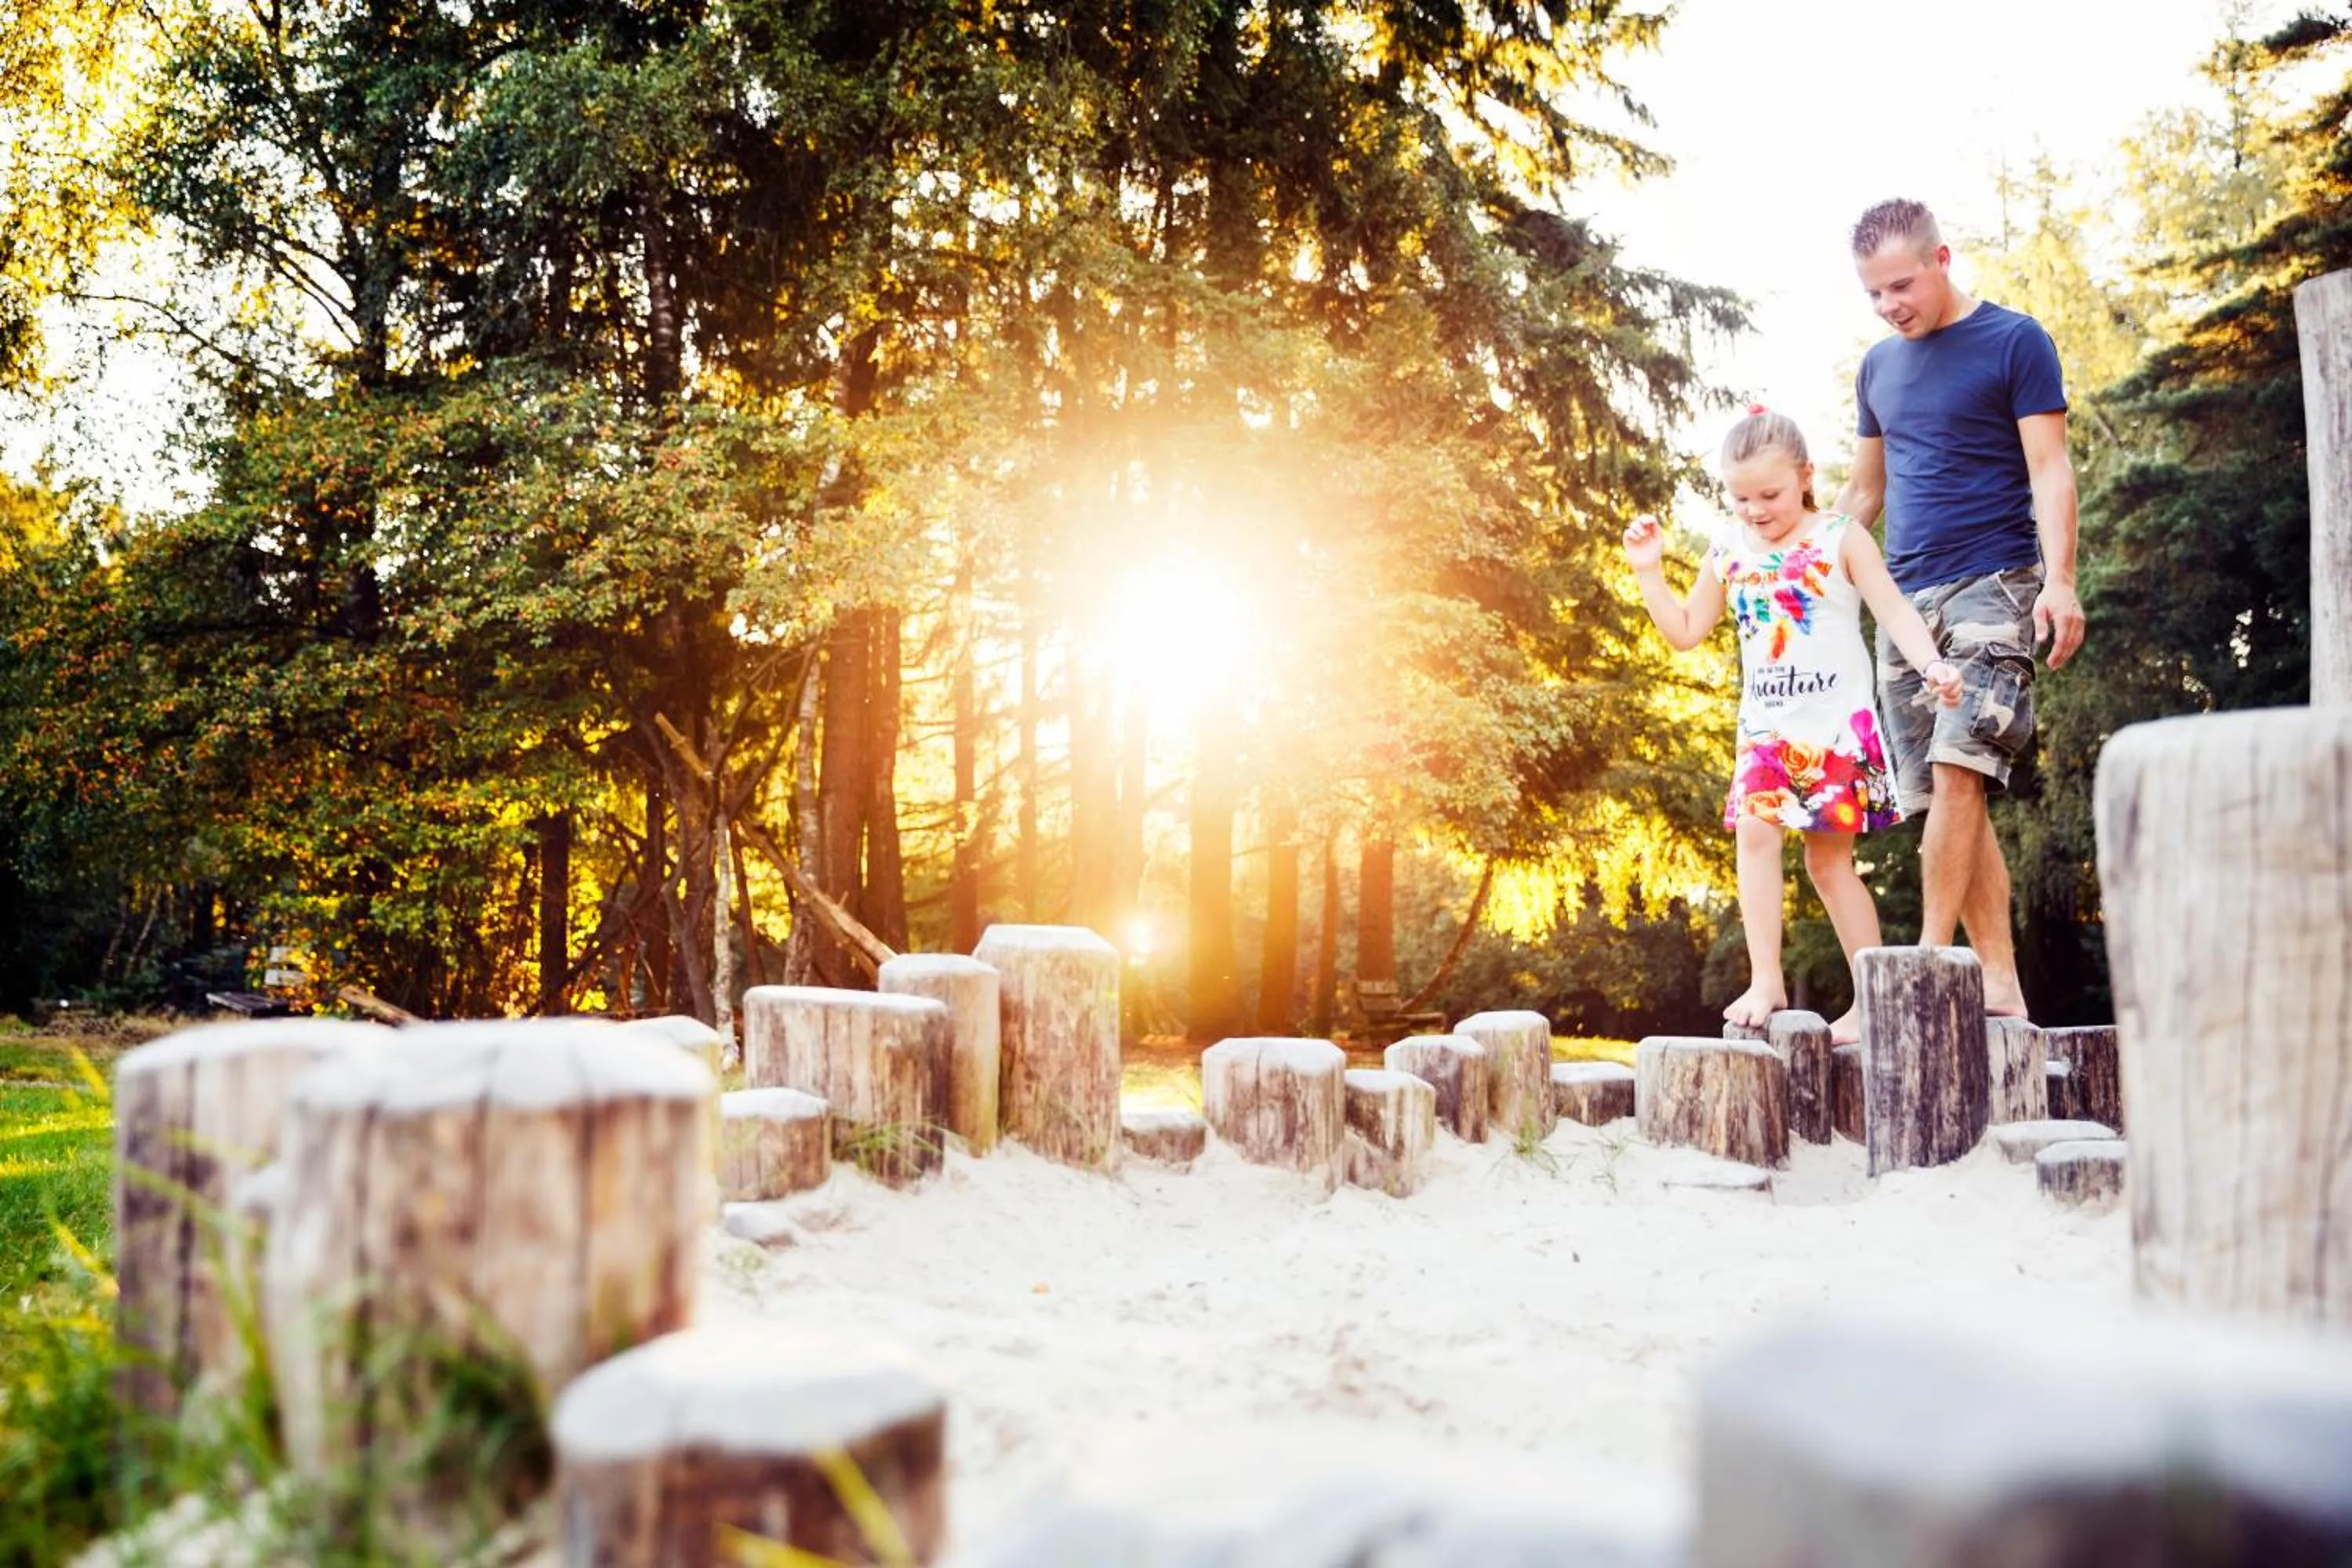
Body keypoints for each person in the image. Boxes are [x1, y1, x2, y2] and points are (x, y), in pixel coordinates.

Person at [1624, 406, 1961, 1044]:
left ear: (1806, 476)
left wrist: (1934, 665)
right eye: (1741, 496)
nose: (1755, 509)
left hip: (1835, 729)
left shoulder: (1840, 538)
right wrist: (1648, 571)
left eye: (1770, 494)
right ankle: (1766, 979)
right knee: (1754, 830)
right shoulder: (1728, 549)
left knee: (1828, 865)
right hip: (1766, 731)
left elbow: (1894, 612)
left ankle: (1869, 1000)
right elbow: (1686, 632)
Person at [1832, 198, 2084, 1021]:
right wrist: (1811, 567)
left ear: (1941, 258)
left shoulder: (2015, 341)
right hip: (1905, 601)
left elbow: (2050, 470)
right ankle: (2001, 984)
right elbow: (1865, 490)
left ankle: (1929, 970)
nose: (1888, 305)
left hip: (1995, 584)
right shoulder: (1878, 368)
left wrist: (2061, 578)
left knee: (1961, 767)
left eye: (1900, 285)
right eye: (1873, 293)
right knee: (1947, 799)